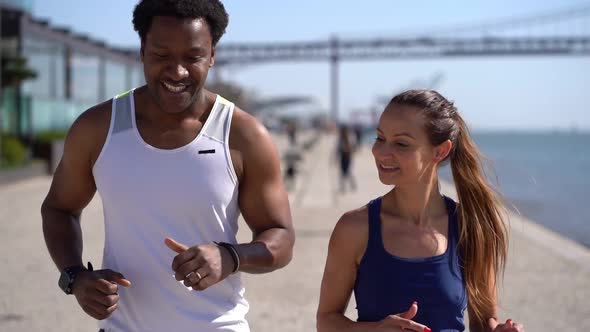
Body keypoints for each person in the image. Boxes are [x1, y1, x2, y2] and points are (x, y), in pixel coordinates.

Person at [41, 1, 295, 331]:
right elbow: (59, 209)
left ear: (212, 55)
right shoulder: (98, 127)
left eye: (192, 57)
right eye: (162, 55)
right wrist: (76, 276)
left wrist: (230, 257)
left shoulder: (243, 135)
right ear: (143, 50)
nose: (177, 72)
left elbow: (281, 238)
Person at [317, 90, 524, 332]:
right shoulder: (355, 228)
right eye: (380, 138)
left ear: (441, 151)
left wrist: (498, 329)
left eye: (401, 143)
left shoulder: (471, 227)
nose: (381, 153)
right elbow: (327, 320)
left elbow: (483, 321)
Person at [336, 124, 357, 193]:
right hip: (343, 157)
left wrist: (349, 150)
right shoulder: (340, 139)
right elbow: (337, 149)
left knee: (348, 172)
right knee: (342, 173)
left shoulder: (350, 138)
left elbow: (353, 147)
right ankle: (343, 187)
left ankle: (352, 185)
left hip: (348, 157)